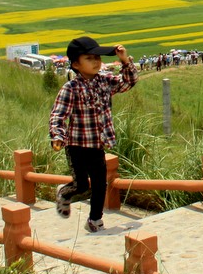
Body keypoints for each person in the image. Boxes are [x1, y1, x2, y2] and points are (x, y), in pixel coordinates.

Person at [49, 36, 137, 233]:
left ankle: (95, 220)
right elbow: (58, 114)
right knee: (81, 186)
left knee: (100, 184)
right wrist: (57, 136)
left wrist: (125, 61)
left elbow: (128, 83)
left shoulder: (105, 81)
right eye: (89, 58)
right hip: (76, 146)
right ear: (76, 65)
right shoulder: (71, 88)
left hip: (97, 144)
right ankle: (65, 193)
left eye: (98, 57)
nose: (96, 61)